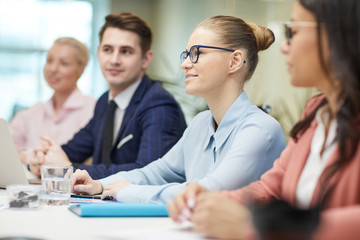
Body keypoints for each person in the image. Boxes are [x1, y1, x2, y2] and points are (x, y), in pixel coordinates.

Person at [169, 0, 360, 239]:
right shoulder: (316, 114)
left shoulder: (260, 127)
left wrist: (265, 226)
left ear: (336, 34)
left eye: (293, 31)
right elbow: (271, 187)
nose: (283, 47)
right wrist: (210, 201)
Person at [70, 15, 286, 204]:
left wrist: (127, 191)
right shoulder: (201, 123)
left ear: (235, 61)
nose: (185, 64)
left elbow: (209, 193)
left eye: (197, 53)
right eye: (186, 54)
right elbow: (157, 172)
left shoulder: (260, 129)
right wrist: (99, 184)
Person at [29, 12, 187, 179]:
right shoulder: (105, 101)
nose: (114, 60)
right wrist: (44, 158)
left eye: (126, 51)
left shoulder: (159, 104)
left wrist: (67, 169)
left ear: (145, 59)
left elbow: (147, 173)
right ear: (98, 53)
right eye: (107, 50)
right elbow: (73, 150)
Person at [9, 37, 95, 165]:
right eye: (49, 61)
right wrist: (32, 159)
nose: (53, 69)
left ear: (81, 70)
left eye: (64, 63)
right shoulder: (31, 113)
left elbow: (92, 161)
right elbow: (6, 151)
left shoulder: (94, 110)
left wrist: (29, 158)